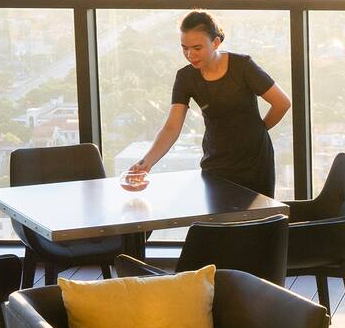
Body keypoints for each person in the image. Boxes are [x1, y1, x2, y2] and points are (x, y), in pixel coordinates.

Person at [124, 11, 292, 197]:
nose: (190, 54)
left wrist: (258, 130)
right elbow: (171, 128)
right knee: (216, 222)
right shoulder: (186, 77)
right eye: (184, 48)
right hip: (216, 162)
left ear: (215, 43)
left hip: (254, 162)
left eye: (197, 48)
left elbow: (282, 103)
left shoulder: (243, 66)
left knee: (257, 222)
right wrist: (145, 163)